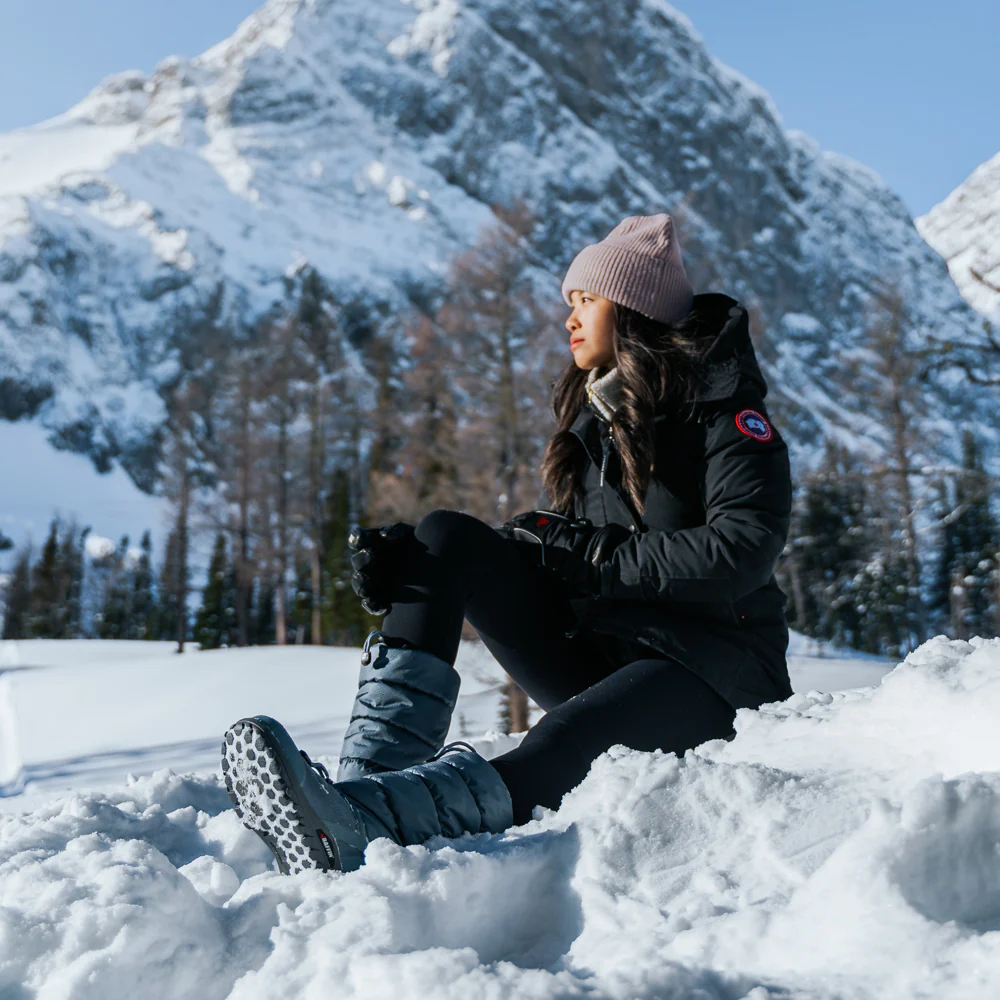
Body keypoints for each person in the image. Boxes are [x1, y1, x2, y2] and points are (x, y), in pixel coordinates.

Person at [222, 213, 793, 875]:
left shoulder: (726, 416)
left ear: (633, 309)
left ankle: (361, 826)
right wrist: (418, 574)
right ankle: (357, 795)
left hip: (715, 672)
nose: (571, 318)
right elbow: (572, 564)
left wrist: (588, 555)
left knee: (563, 744)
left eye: (587, 301)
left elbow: (741, 549)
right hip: (611, 653)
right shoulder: (595, 421)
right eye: (569, 304)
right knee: (444, 539)